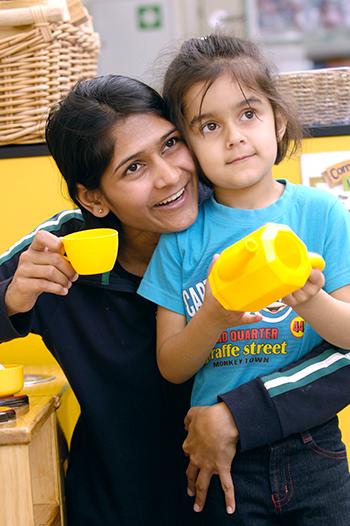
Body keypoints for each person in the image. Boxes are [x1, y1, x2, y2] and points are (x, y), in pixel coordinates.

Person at [0, 73, 349, 526]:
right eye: (134, 168)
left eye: (170, 144)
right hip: (121, 507)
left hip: (245, 497)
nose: (169, 177)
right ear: (93, 198)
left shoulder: (250, 220)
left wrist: (241, 414)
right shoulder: (63, 250)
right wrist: (9, 302)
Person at [138, 35, 350, 524]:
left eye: (248, 114)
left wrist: (310, 301)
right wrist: (212, 313)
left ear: (277, 120)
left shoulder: (319, 212)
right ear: (188, 147)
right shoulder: (184, 237)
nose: (233, 136)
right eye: (209, 125)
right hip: (224, 463)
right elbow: (172, 366)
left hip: (313, 444)